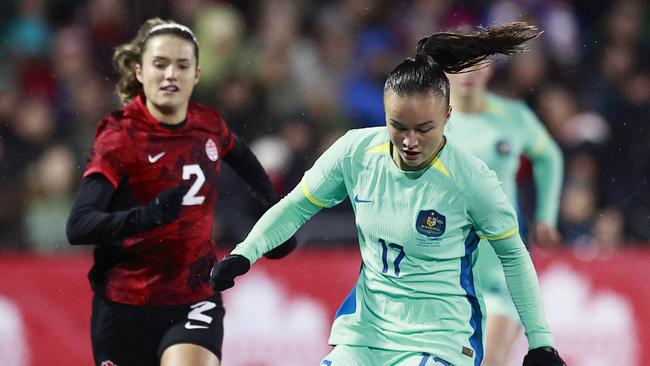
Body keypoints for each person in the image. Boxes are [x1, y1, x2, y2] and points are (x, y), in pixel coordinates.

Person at [210, 22, 565, 366]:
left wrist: (541, 342)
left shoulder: (472, 180)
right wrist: (244, 254)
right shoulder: (355, 152)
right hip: (366, 334)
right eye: (398, 127)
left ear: (447, 116)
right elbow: (295, 208)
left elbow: (514, 257)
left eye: (424, 129)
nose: (410, 142)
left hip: (442, 338)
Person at [65, 18, 296, 366]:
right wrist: (146, 218)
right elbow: (79, 225)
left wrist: (277, 218)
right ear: (140, 72)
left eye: (182, 65)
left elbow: (248, 164)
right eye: (160, 64)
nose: (171, 74)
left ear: (197, 75)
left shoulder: (209, 125)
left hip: (194, 297)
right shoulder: (119, 138)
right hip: (124, 306)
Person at [445, 54, 564, 366]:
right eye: (460, 64)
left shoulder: (513, 116)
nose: (468, 73)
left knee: (491, 361)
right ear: (445, 72)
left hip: (501, 260)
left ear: (490, 69)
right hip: (446, 264)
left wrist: (546, 216)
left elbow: (549, 157)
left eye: (477, 64)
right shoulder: (432, 123)